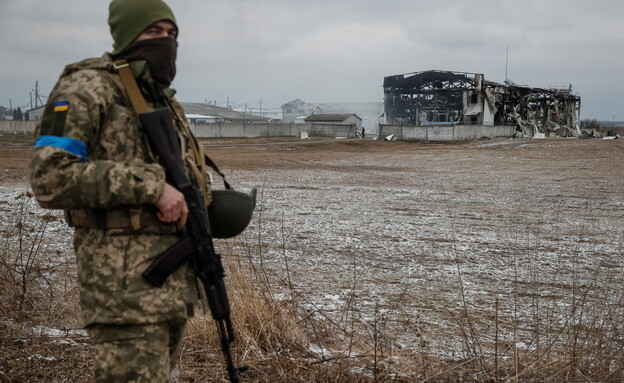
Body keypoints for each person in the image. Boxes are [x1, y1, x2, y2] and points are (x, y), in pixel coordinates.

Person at [29, 0, 212, 381]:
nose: (165, 42)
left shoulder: (162, 100)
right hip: (123, 290)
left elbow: (186, 179)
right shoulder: (85, 88)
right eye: (153, 32)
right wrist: (150, 187)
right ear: (128, 36)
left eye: (171, 34)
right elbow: (50, 177)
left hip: (173, 286)